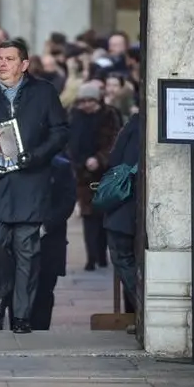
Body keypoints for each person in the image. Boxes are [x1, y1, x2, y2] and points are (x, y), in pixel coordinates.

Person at [0, 39, 69, 333]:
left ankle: (21, 316)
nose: (2, 64)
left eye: (8, 59)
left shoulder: (44, 92)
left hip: (30, 183)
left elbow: (60, 132)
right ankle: (3, 288)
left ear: (24, 64)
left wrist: (38, 155)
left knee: (27, 252)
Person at [68, 83, 122, 270]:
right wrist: (78, 162)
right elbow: (69, 143)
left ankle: (102, 255)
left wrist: (100, 159)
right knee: (89, 216)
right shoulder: (75, 116)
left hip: (105, 173)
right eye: (82, 101)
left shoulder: (109, 115)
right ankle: (92, 257)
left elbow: (114, 141)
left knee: (102, 216)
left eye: (89, 101)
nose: (86, 105)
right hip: (83, 173)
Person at [29, 153, 77, 330]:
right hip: (19, 237)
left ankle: (40, 332)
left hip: (49, 241)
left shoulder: (60, 167)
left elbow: (67, 201)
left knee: (44, 291)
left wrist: (45, 226)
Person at [103, 113, 141, 314]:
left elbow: (115, 158)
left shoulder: (136, 123)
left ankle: (144, 311)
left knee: (123, 257)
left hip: (125, 207)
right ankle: (139, 312)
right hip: (129, 208)